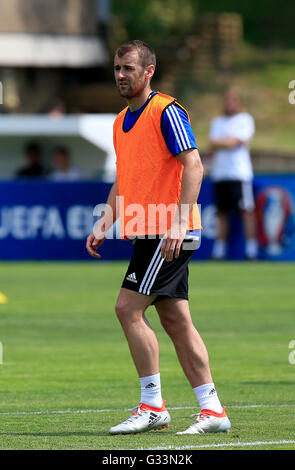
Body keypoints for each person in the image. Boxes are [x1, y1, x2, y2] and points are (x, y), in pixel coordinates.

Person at [86, 40, 231, 435]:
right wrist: (105, 220)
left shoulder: (166, 111)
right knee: (176, 320)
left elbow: (194, 164)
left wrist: (180, 222)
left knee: (127, 309)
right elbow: (125, 178)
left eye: (128, 68)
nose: (120, 74)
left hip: (168, 230)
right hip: (147, 230)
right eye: (117, 68)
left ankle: (152, 406)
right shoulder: (119, 121)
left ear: (148, 71)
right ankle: (213, 410)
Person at [209, 87, 258, 260]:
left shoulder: (245, 119)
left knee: (246, 211)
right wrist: (227, 141)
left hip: (239, 174)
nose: (229, 104)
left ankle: (251, 251)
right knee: (222, 213)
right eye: (227, 100)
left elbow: (235, 142)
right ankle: (219, 251)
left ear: (238, 102)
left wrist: (224, 142)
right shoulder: (217, 122)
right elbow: (213, 143)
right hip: (220, 174)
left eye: (233, 101)